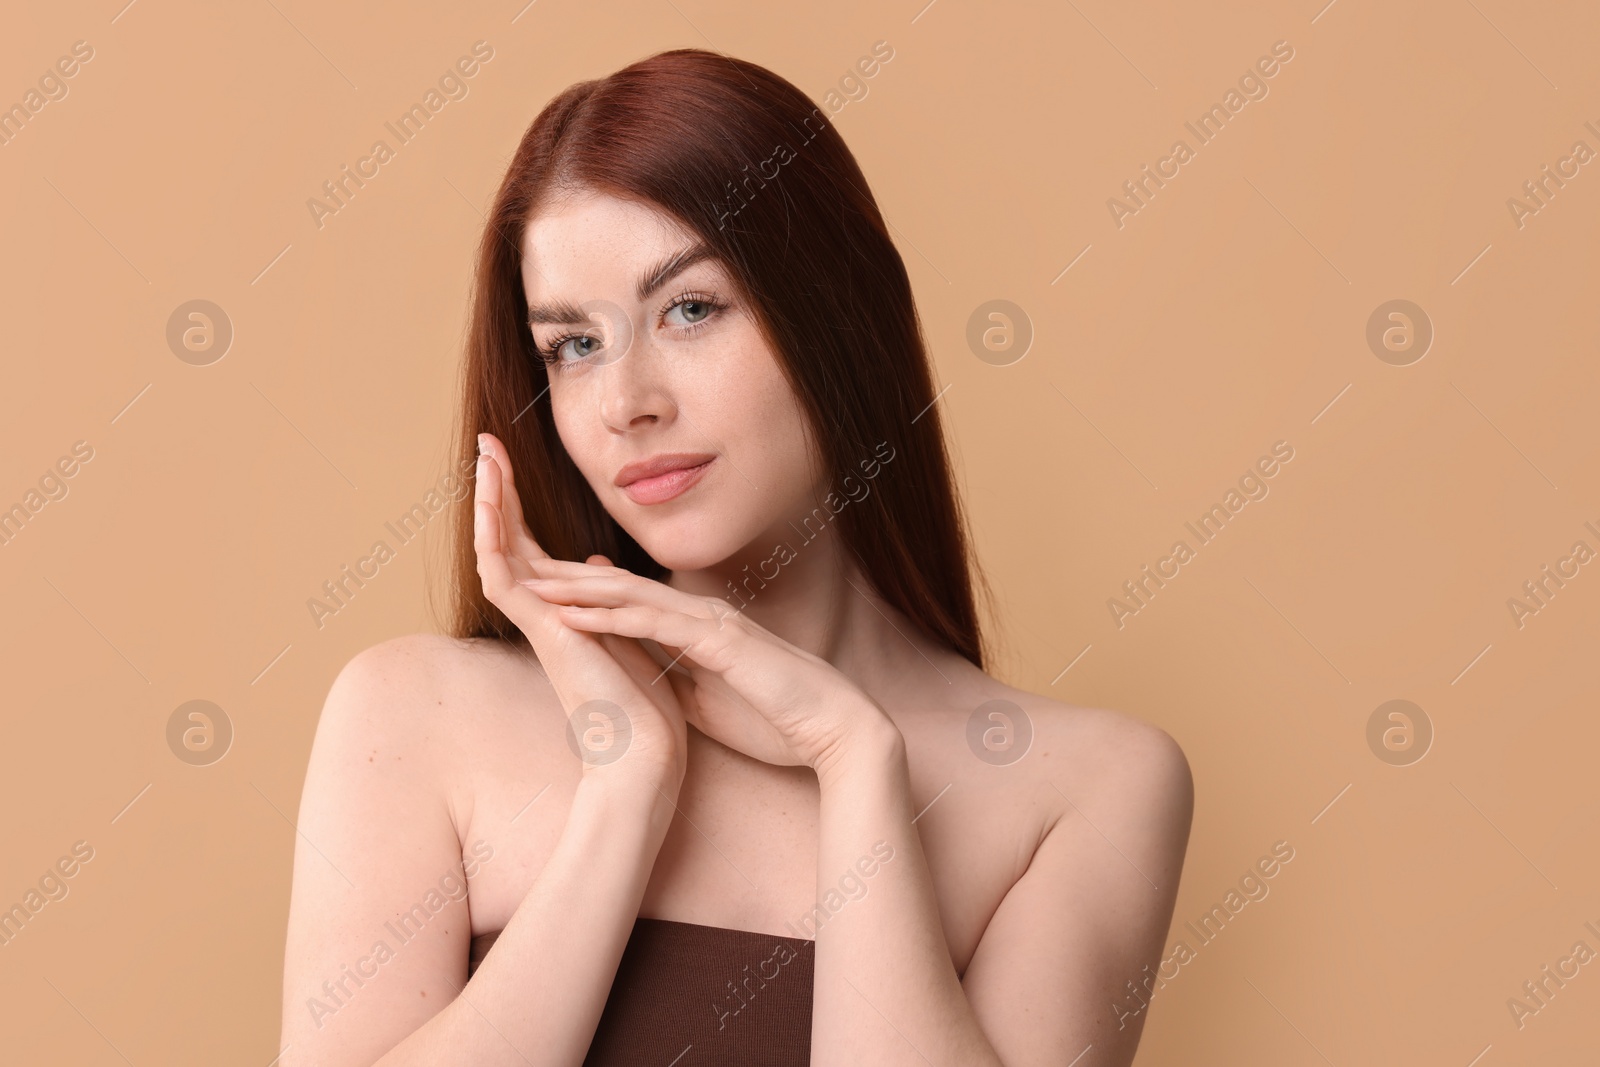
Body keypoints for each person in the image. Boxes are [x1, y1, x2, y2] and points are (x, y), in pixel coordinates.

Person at [278, 46, 1192, 1067]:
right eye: (573, 344)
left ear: (839, 314)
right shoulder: (419, 711)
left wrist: (856, 760)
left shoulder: (1085, 787)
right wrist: (626, 790)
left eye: (690, 309)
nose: (628, 401)